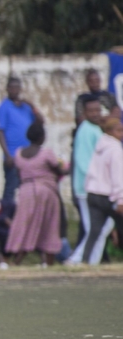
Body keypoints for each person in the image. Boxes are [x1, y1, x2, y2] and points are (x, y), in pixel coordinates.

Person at [4, 122, 66, 267]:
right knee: (49, 225)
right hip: (46, 191)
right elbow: (59, 171)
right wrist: (66, 168)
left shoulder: (19, 153)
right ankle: (48, 261)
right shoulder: (47, 153)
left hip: (26, 192)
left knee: (25, 225)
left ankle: (16, 260)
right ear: (42, 137)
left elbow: (19, 174)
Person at [68, 96, 115, 265]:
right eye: (91, 111)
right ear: (85, 113)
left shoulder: (95, 129)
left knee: (100, 228)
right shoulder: (86, 130)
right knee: (96, 229)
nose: (95, 114)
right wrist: (100, 183)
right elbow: (84, 162)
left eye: (98, 110)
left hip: (97, 189)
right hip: (88, 189)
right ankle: (78, 261)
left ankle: (86, 261)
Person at [81, 117, 123, 263]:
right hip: (107, 196)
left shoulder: (99, 147)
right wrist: (120, 199)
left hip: (93, 193)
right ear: (110, 131)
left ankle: (85, 260)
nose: (121, 134)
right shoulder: (115, 149)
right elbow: (117, 176)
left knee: (94, 231)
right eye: (119, 130)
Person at [0, 77, 42, 205]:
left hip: (29, 155)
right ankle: (5, 219)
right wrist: (7, 154)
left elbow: (40, 122)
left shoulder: (26, 107)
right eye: (12, 87)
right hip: (12, 156)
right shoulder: (3, 107)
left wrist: (32, 106)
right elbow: (0, 131)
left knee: (29, 188)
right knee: (11, 189)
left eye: (17, 87)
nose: (15, 90)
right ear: (7, 89)